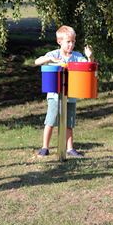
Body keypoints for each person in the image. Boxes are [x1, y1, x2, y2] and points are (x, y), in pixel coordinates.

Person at [35, 25, 94, 157]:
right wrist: (49, 59)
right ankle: (45, 147)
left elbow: (88, 67)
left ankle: (70, 148)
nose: (71, 45)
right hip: (55, 96)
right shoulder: (54, 54)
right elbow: (37, 61)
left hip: (71, 95)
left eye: (73, 41)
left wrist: (89, 57)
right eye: (68, 42)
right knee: (50, 121)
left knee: (69, 123)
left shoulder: (77, 56)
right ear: (59, 42)